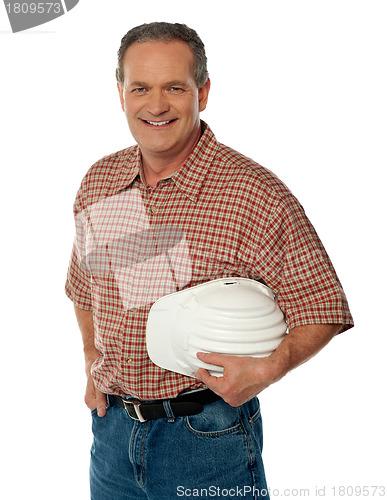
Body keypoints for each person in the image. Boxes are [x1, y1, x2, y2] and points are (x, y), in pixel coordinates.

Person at [65, 22, 354, 500]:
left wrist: (267, 370)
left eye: (174, 87)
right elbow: (84, 288)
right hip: (112, 436)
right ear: (121, 94)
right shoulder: (104, 180)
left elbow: (322, 307)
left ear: (202, 90)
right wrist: (91, 360)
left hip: (205, 437)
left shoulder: (252, 193)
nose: (155, 105)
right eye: (141, 88)